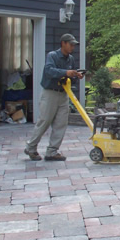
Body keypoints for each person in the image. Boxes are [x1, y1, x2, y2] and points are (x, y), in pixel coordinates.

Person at [24, 33, 84, 161]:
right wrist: (66, 72)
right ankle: (31, 147)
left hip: (64, 93)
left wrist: (75, 75)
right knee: (44, 121)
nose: (73, 47)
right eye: (71, 44)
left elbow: (69, 77)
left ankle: (52, 151)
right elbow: (49, 71)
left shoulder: (71, 59)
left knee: (61, 123)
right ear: (63, 43)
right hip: (50, 93)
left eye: (74, 45)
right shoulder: (52, 56)